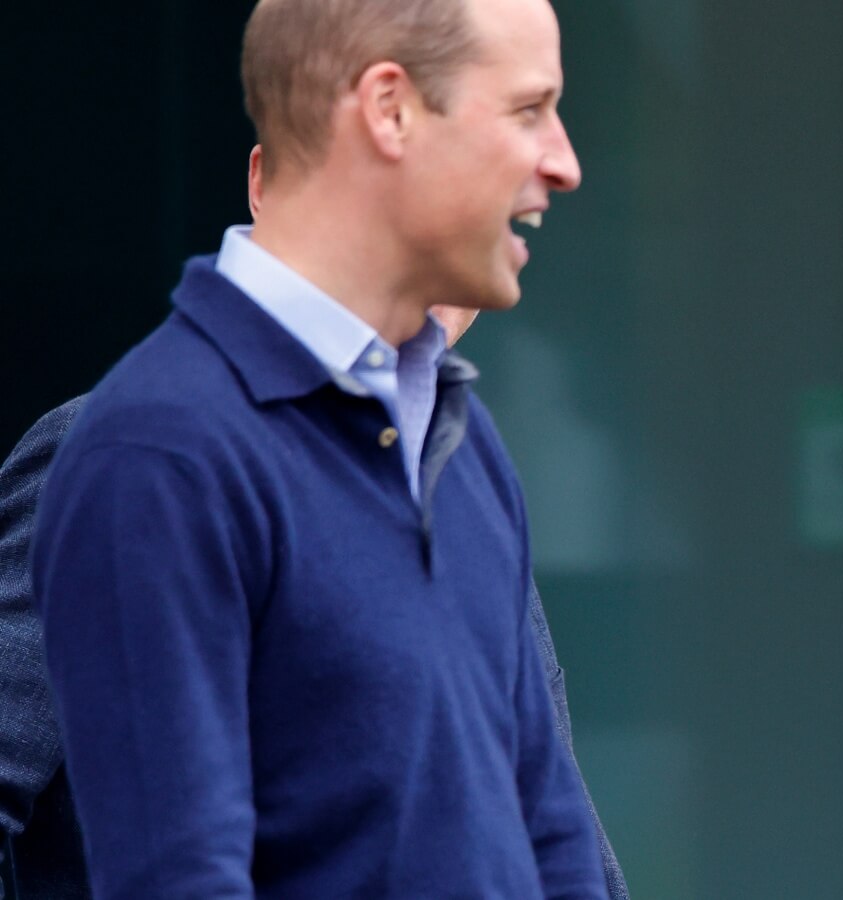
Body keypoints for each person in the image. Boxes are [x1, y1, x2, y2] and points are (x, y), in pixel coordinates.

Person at [29, 0, 618, 895]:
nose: (564, 164)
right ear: (389, 110)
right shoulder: (155, 454)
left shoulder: (461, 441)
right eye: (528, 110)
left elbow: (555, 840)